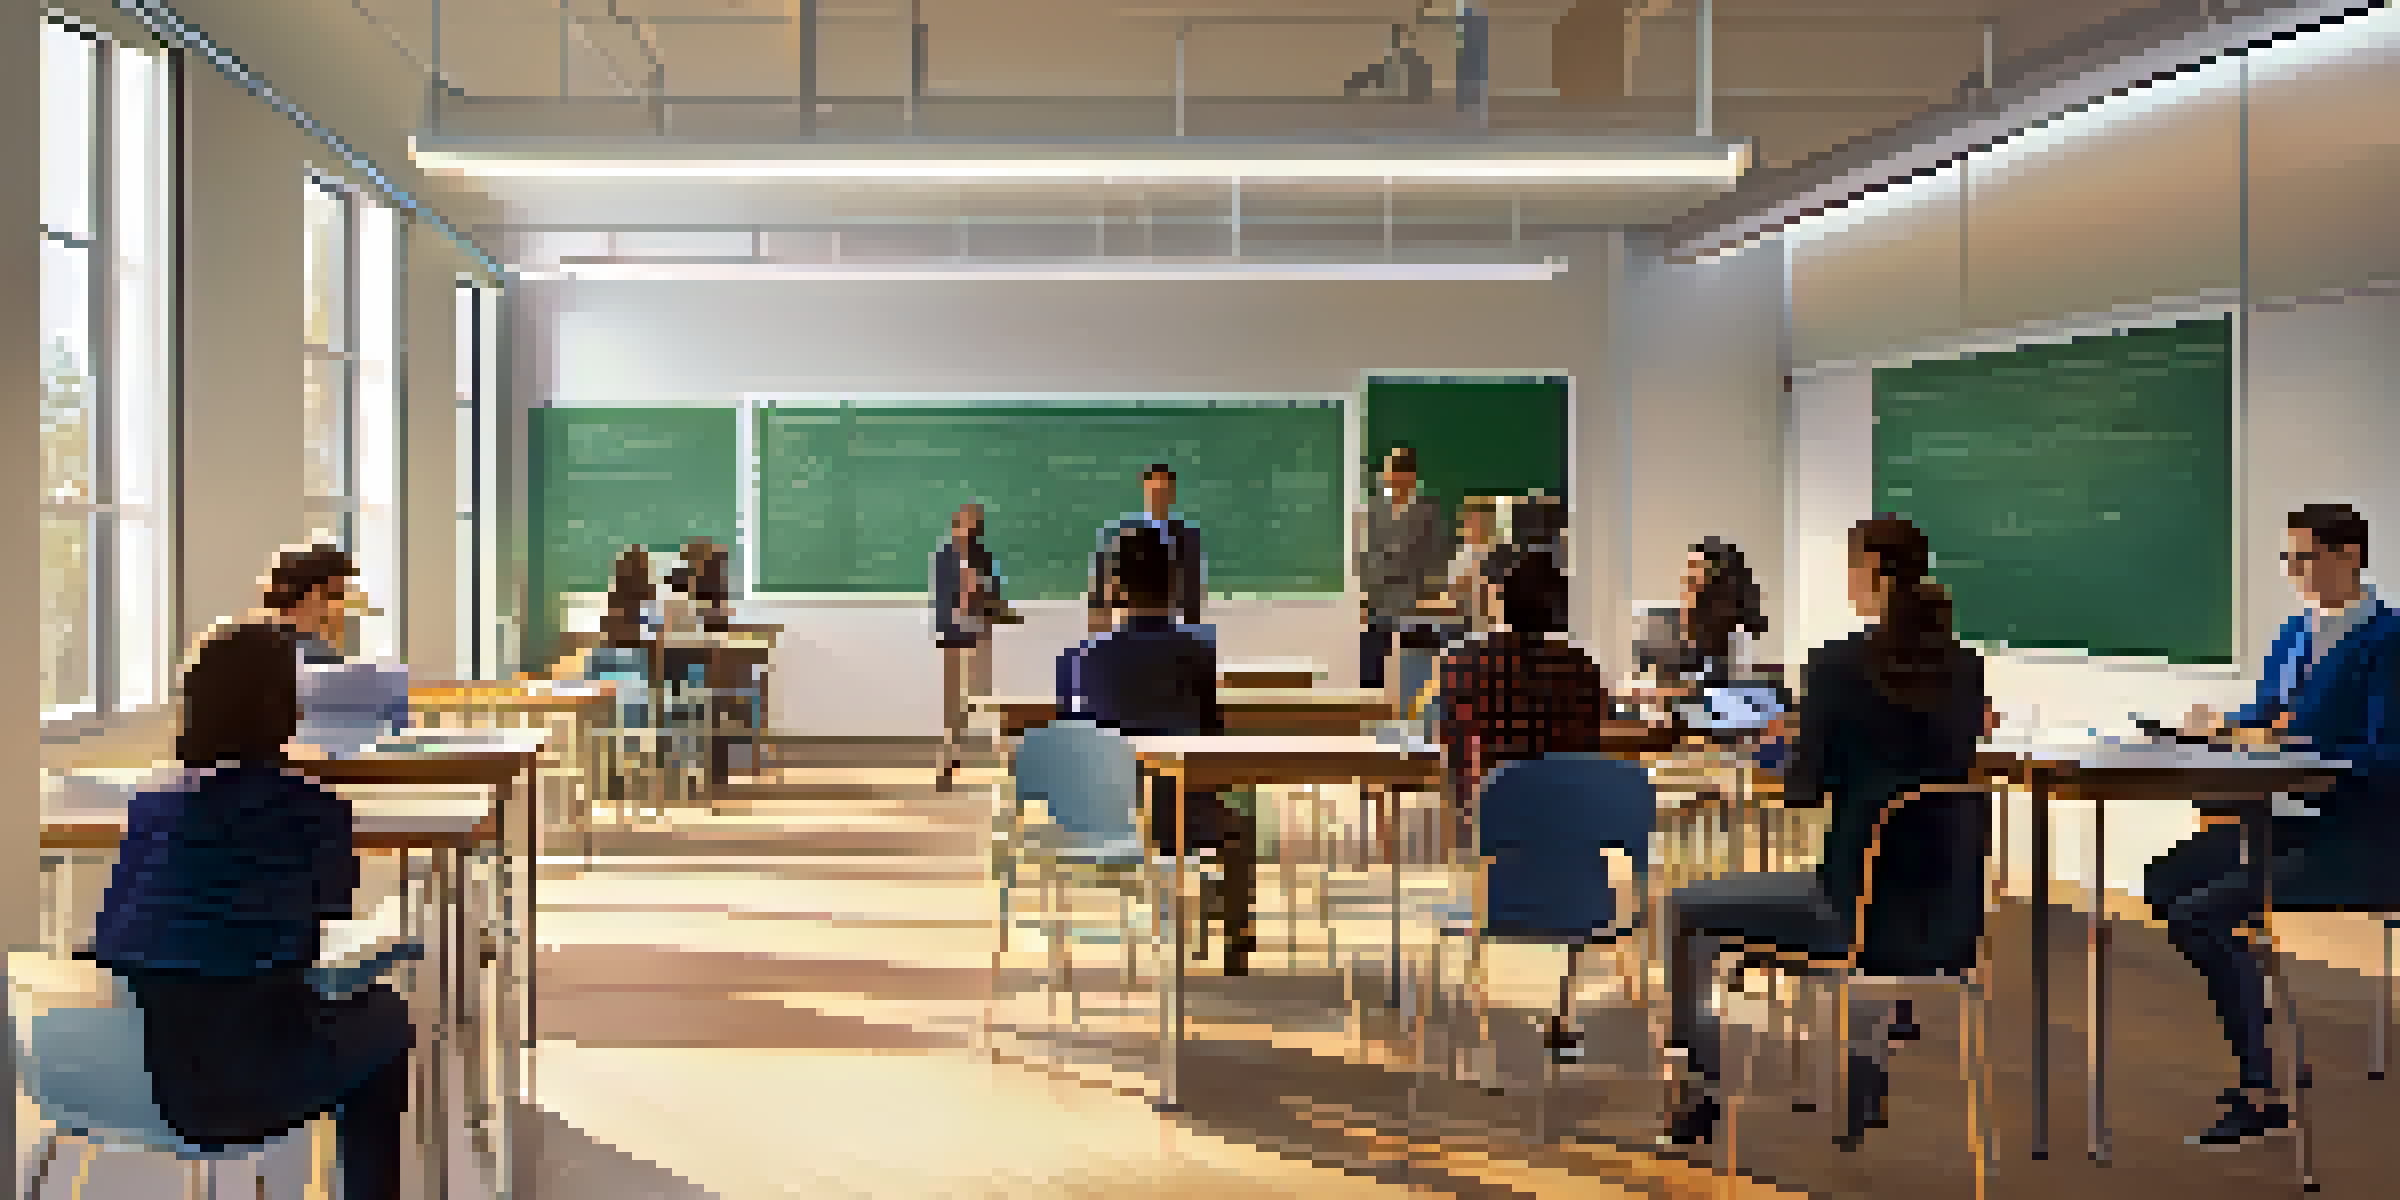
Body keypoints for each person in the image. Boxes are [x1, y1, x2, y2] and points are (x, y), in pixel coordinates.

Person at [1660, 516, 1993, 1150]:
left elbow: (1804, 791)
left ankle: (1700, 1093)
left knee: (1688, 909)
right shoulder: (1965, 668)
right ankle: (1863, 1083)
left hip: (1850, 910)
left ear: (1872, 574)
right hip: (1948, 920)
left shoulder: (1838, 664)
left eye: (1850, 568)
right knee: (1872, 886)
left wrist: (1789, 748)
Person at [90, 623, 414, 1200]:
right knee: (386, 1017)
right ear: (283, 708)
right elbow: (334, 906)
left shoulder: (149, 810)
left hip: (129, 1077)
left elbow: (116, 934)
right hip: (249, 1082)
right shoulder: (310, 810)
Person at [2152, 502, 2400, 1146]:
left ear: (2349, 559)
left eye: (2305, 558)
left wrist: (2300, 747)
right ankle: (2269, 1043)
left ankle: (2263, 1088)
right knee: (2168, 879)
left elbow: (2389, 755)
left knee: (2199, 911)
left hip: (2363, 836)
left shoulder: (2389, 640)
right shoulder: (2293, 633)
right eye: (2287, 559)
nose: (2292, 572)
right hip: (2290, 820)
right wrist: (2227, 732)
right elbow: (2267, 716)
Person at [1057, 525, 1253, 974]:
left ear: (1112, 588)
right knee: (1239, 824)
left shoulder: (1079, 657)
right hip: (1182, 815)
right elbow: (1211, 739)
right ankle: (1234, 944)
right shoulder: (1198, 652)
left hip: (1100, 817)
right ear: (1173, 586)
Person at [1436, 546, 1614, 840]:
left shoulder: (1471, 663)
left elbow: (1455, 746)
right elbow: (1593, 744)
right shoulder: (1582, 670)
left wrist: (1465, 815)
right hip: (1572, 817)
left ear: (1506, 601)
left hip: (1501, 817)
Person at [1356, 445, 1456, 691]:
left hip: (1416, 609)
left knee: (1414, 684)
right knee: (1372, 680)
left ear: (1411, 477)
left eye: (1399, 472)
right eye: (1389, 472)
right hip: (1376, 607)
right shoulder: (1371, 508)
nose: (1392, 478)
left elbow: (1437, 559)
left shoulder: (1430, 511)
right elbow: (1361, 557)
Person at [931, 503, 1004, 791]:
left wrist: (988, 601)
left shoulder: (983, 556)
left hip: (979, 633)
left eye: (977, 526)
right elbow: (941, 598)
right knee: (953, 702)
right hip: (953, 635)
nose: (972, 531)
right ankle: (950, 759)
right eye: (967, 525)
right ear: (956, 526)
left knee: (980, 694)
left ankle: (992, 753)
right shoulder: (944, 556)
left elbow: (994, 590)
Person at [1088, 463, 1204, 634]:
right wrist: (1100, 631)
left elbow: (1192, 592)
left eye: (1163, 490)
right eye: (1154, 490)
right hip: (1128, 625)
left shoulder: (1188, 537)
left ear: (1171, 492)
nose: (1158, 495)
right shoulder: (1122, 535)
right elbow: (1103, 585)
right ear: (1145, 491)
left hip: (1168, 625)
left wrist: (1191, 632)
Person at [1438, 497, 1502, 636]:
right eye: (1469, 523)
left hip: (1485, 630)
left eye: (1479, 523)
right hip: (1464, 627)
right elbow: (1451, 595)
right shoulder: (1462, 555)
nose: (1472, 528)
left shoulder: (1497, 555)